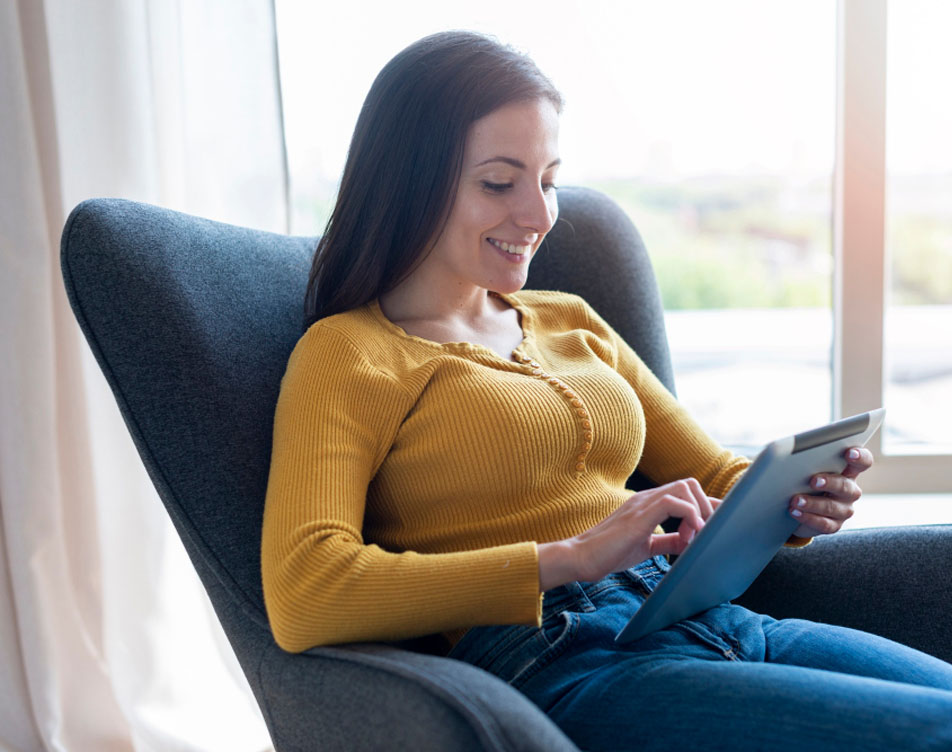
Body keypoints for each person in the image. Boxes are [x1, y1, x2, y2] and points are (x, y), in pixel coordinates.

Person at [261, 30, 952, 751]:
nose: (538, 215)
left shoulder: (569, 320)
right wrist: (572, 556)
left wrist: (798, 501)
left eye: (548, 180)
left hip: (712, 619)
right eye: (499, 182)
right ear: (412, 180)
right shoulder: (349, 355)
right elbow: (306, 591)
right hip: (563, 658)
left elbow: (718, 476)